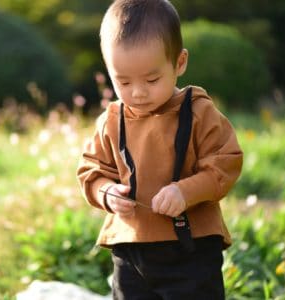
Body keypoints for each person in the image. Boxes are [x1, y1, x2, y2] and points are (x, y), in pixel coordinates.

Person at [76, 0, 243, 299]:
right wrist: (107, 193)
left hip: (191, 248)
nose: (138, 92)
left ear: (179, 63)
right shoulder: (112, 120)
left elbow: (225, 163)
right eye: (122, 81)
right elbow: (92, 170)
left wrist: (185, 191)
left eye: (152, 79)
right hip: (130, 249)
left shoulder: (198, 112)